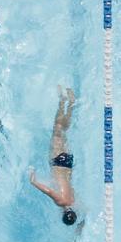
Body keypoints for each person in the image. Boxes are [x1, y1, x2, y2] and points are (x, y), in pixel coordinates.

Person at [29, 87, 79, 227]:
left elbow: (84, 216)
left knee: (64, 132)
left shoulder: (74, 201)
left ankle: (70, 106)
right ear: (63, 214)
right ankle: (63, 101)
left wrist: (77, 234)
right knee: (57, 129)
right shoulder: (61, 202)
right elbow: (49, 191)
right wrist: (34, 181)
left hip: (68, 163)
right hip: (58, 161)